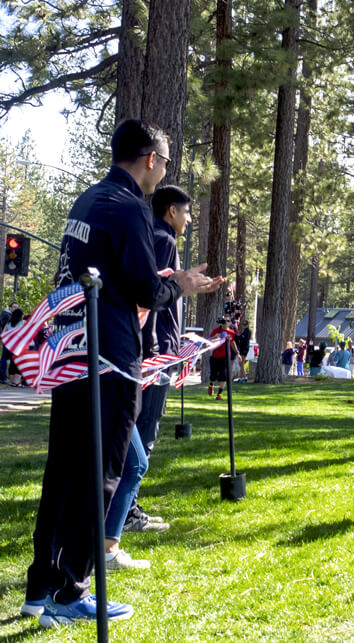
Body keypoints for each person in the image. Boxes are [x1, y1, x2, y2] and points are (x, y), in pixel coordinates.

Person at [22, 119, 222, 627]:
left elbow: (97, 274)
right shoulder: (131, 207)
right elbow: (143, 292)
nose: (166, 170)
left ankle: (39, 587)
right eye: (167, 160)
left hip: (71, 353)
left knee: (62, 474)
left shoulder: (88, 199)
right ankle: (72, 590)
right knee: (103, 474)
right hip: (110, 361)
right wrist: (182, 284)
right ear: (151, 158)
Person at [121, 185, 194, 536]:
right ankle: (127, 512)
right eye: (186, 212)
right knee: (144, 431)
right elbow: (152, 296)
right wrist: (158, 349)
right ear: (170, 212)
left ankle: (125, 508)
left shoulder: (154, 234)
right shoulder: (164, 239)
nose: (189, 219)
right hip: (157, 352)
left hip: (153, 348)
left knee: (138, 429)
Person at [209, 317, 237, 400]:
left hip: (225, 356)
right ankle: (211, 385)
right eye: (224, 321)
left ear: (230, 323)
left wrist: (237, 353)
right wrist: (215, 337)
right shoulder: (216, 330)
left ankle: (219, 394)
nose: (226, 323)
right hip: (215, 356)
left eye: (228, 321)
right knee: (213, 376)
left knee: (224, 375)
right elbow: (209, 340)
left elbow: (232, 342)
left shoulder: (231, 332)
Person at [5, 308, 25, 387]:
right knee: (19, 363)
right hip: (19, 346)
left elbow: (3, 334)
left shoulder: (8, 323)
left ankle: (13, 382)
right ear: (21, 316)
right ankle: (17, 382)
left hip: (10, 346)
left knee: (12, 364)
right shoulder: (23, 323)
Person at [0, 301, 18, 383]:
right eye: (14, 307)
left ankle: (5, 377)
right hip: (7, 340)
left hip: (11, 341)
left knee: (7, 359)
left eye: (16, 307)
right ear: (10, 307)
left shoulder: (10, 315)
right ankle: (3, 377)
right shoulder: (6, 315)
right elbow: (4, 327)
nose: (15, 309)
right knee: (4, 359)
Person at [234, 318, 251, 382]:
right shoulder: (244, 331)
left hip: (244, 348)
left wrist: (237, 336)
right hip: (242, 348)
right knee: (241, 363)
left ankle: (243, 377)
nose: (244, 326)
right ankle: (243, 376)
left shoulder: (247, 332)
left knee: (242, 362)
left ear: (247, 325)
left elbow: (243, 339)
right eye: (243, 324)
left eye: (245, 324)